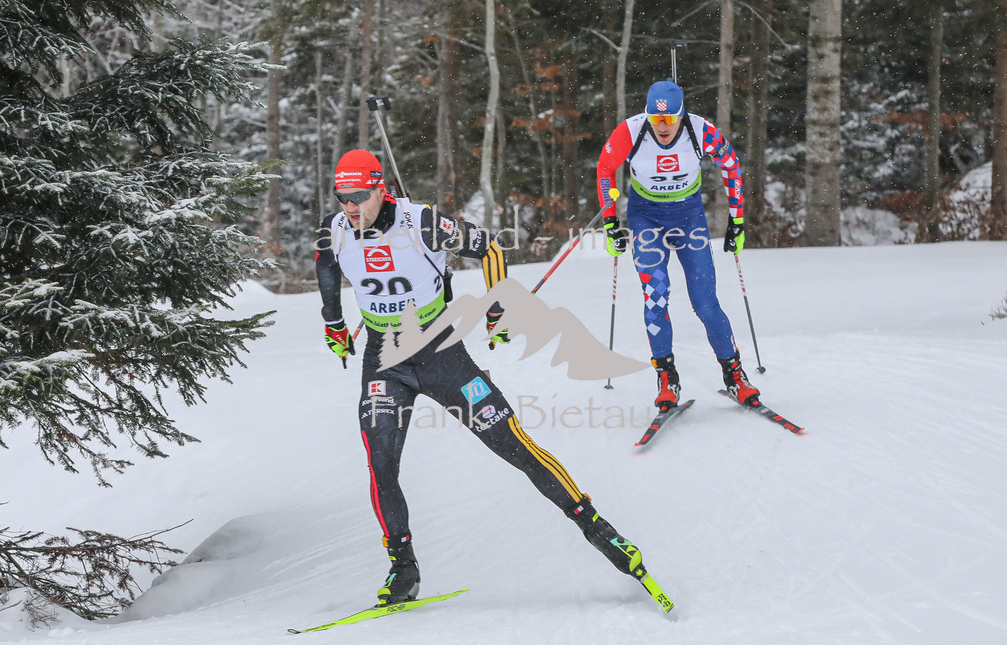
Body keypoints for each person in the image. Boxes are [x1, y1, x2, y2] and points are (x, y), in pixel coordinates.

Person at [315, 149, 670, 609]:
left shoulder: (421, 222)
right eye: (342, 197)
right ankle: (403, 567)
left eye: (359, 196)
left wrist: (498, 308)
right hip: (384, 358)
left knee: (514, 445)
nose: (350, 206)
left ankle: (601, 531)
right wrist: (333, 323)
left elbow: (489, 247)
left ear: (380, 189)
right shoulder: (335, 229)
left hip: (440, 352)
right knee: (381, 462)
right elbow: (326, 266)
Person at [595, 79, 761, 409]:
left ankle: (735, 375)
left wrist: (737, 220)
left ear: (681, 114)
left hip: (688, 219)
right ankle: (667, 377)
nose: (663, 127)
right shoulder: (630, 131)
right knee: (656, 298)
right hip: (646, 218)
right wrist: (610, 222)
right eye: (656, 119)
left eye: (670, 119)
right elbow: (605, 169)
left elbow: (731, 165)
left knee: (706, 304)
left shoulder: (701, 130)